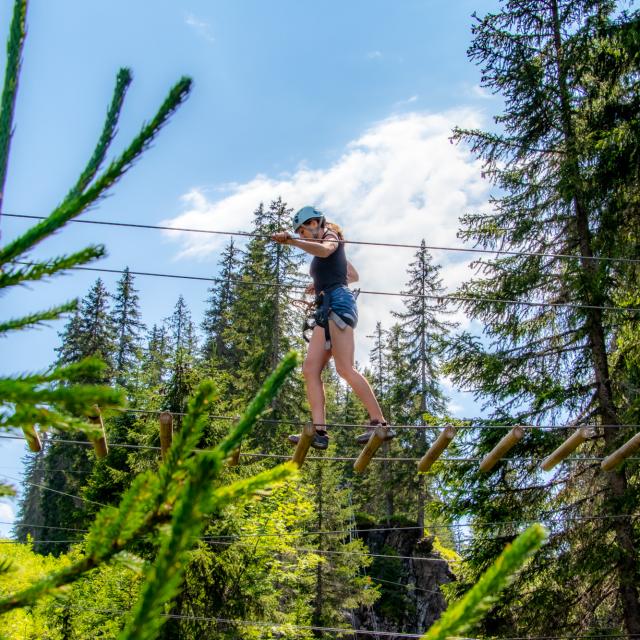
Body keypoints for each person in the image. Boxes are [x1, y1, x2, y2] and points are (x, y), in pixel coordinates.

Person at [272, 205, 395, 450]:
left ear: (314, 223)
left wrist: (293, 242)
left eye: (303, 231)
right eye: (300, 233)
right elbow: (352, 274)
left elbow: (327, 251)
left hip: (338, 303)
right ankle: (319, 431)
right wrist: (319, 282)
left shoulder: (330, 237)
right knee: (310, 368)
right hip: (326, 304)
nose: (303, 236)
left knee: (344, 368)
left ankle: (379, 423)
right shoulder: (328, 245)